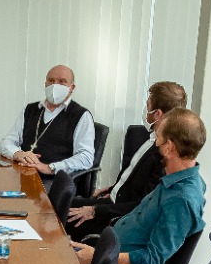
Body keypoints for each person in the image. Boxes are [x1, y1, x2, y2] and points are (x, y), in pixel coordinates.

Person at [72, 108, 207, 264]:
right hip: (109, 259)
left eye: (158, 138)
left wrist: (97, 256)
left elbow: (152, 260)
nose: (155, 144)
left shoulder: (181, 199)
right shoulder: (176, 180)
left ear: (168, 147)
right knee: (53, 262)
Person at [66, 81, 186, 241]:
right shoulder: (152, 138)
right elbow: (136, 179)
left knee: (59, 216)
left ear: (157, 114)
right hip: (112, 202)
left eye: (147, 104)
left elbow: (141, 206)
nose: (145, 109)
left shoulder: (166, 157)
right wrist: (114, 188)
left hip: (119, 220)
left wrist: (94, 211)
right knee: (58, 204)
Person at [0, 64, 95, 177]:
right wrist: (17, 153)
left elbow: (86, 157)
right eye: (51, 80)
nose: (55, 85)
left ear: (71, 88)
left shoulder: (81, 115)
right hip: (24, 174)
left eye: (62, 82)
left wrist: (49, 168)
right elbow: (6, 143)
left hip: (54, 180)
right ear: (45, 84)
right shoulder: (30, 110)